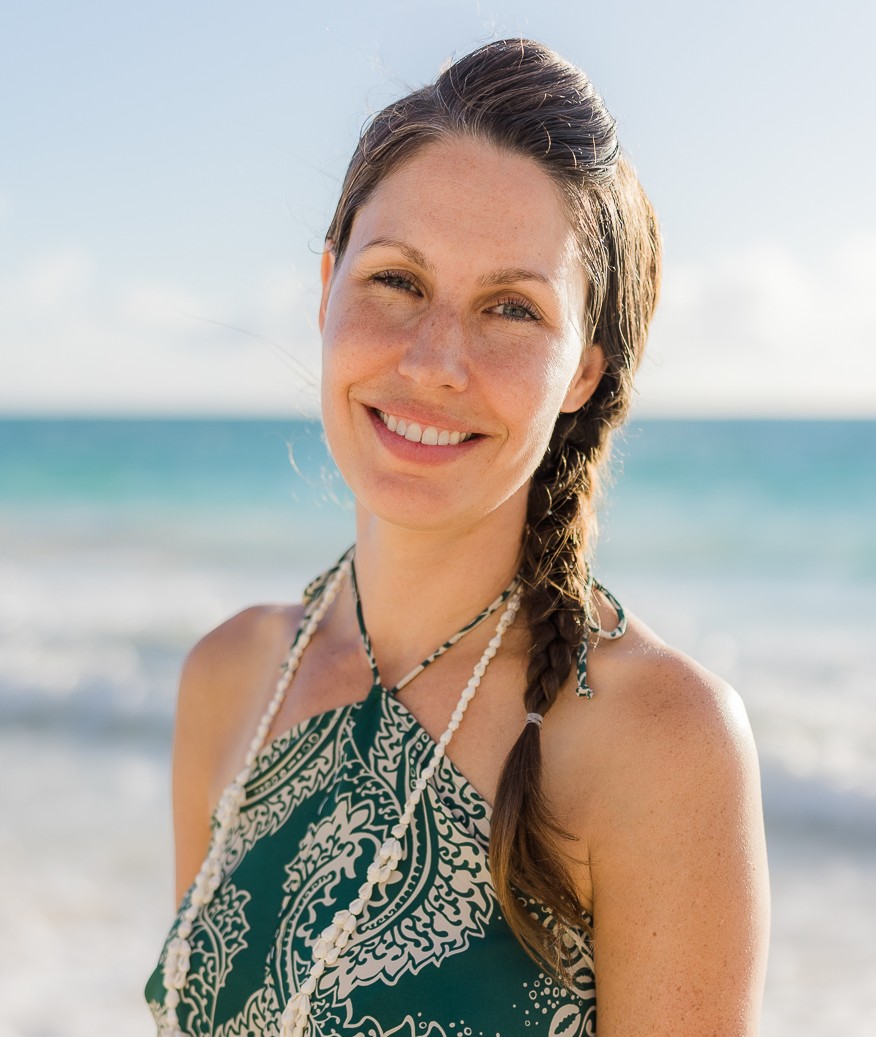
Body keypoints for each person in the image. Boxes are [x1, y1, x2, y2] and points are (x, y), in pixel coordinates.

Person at [146, 38, 770, 1037]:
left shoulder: (657, 737)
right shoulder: (227, 677)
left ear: (581, 374)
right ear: (326, 287)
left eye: (511, 307)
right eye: (396, 281)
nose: (434, 362)